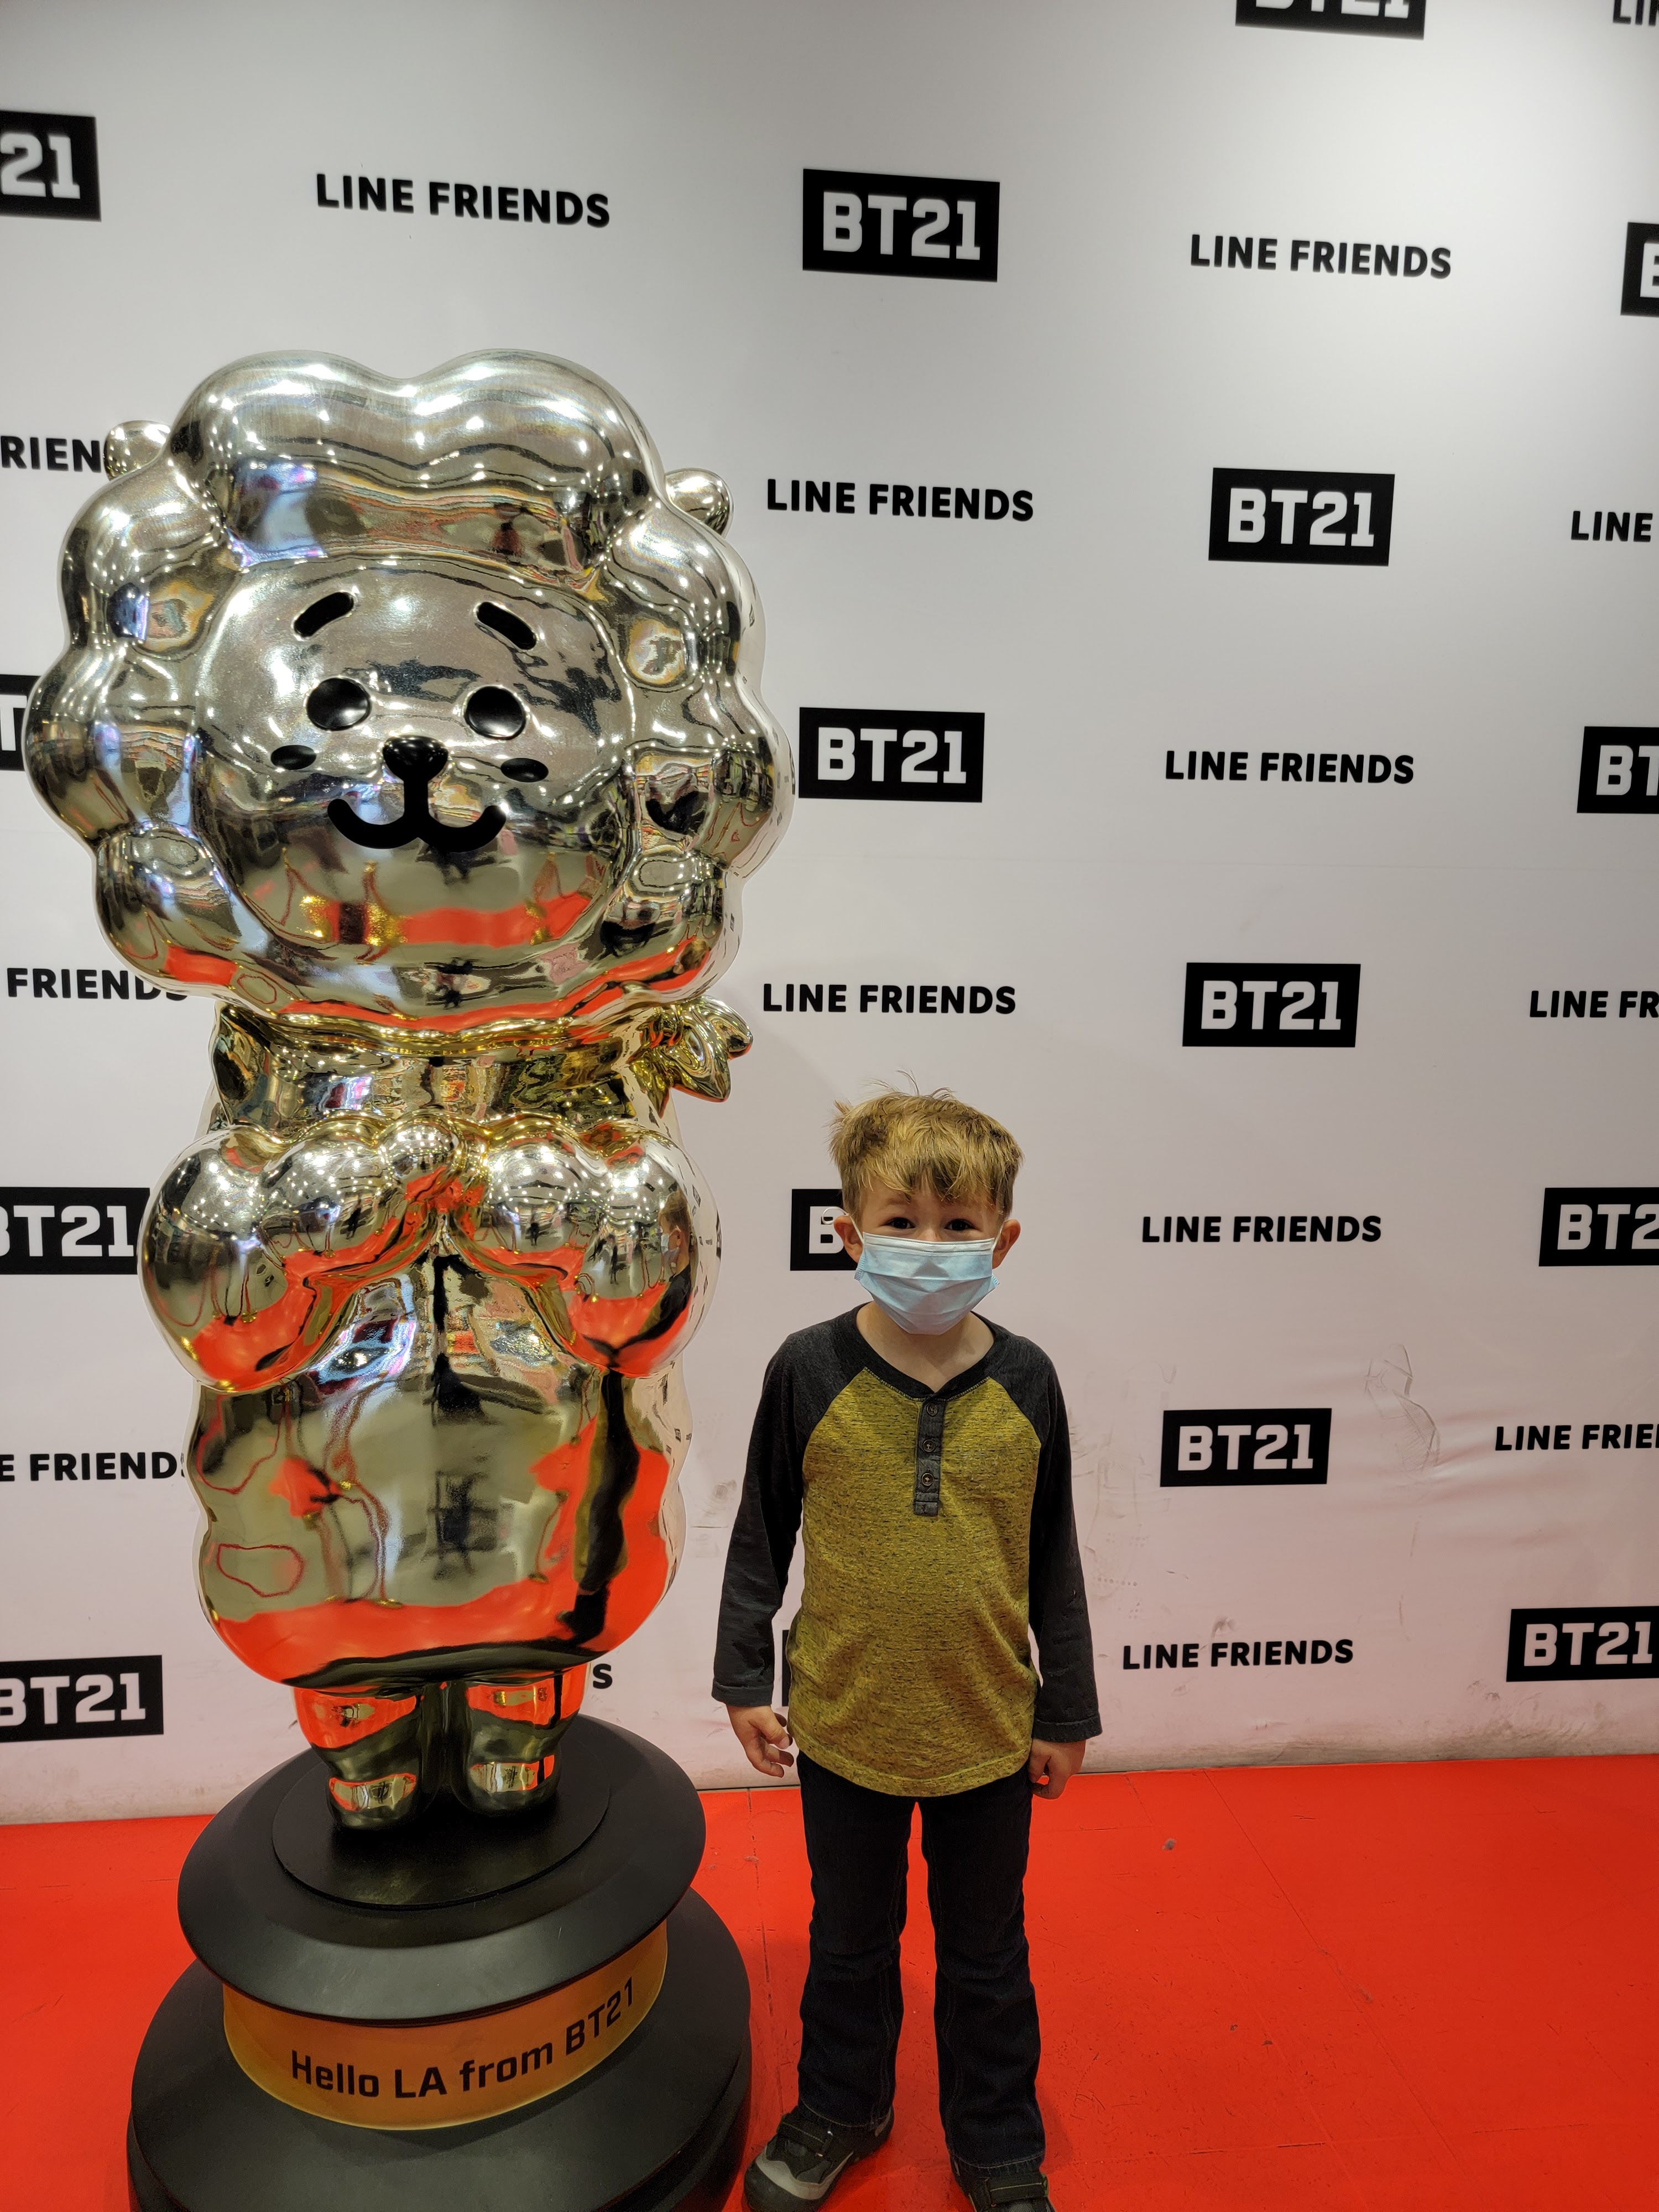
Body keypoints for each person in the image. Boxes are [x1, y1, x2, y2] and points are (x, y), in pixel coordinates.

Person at [712, 1090, 1099, 2212]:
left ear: (1001, 1240)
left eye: (958, 1222)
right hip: (844, 1724)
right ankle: (842, 2104)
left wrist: (1064, 1708)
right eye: (902, 1220)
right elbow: (760, 1535)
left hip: (988, 1729)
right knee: (848, 1943)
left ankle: (998, 2139)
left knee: (987, 1956)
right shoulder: (807, 1368)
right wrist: (744, 1677)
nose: (930, 1244)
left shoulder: (1029, 1381)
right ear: (850, 1231)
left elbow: (1054, 1554)